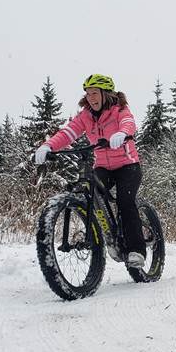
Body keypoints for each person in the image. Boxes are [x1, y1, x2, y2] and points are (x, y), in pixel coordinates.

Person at [34, 74, 146, 268]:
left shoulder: (119, 109)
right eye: (88, 94)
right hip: (102, 166)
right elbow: (68, 132)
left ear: (105, 94)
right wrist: (48, 146)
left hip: (128, 166)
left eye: (95, 93)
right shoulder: (85, 115)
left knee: (125, 201)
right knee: (90, 196)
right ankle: (107, 238)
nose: (91, 97)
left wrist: (122, 133)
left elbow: (129, 123)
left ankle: (137, 250)